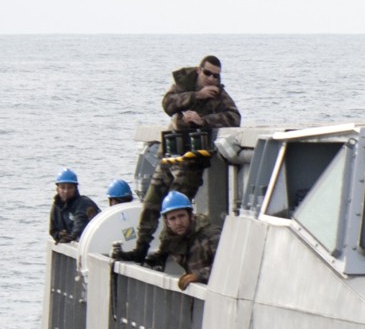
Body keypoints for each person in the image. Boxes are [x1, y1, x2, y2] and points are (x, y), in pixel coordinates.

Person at [126, 56, 240, 263]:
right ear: (199, 71)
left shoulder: (220, 96)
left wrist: (202, 120)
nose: (212, 79)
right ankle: (141, 247)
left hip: (191, 160)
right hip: (171, 155)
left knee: (176, 211)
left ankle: (164, 251)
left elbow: (234, 117)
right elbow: (168, 104)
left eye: (216, 75)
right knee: (152, 202)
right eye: (208, 74)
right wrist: (196, 96)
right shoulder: (184, 85)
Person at [150, 190, 222, 289]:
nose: (178, 222)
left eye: (181, 216)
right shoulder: (170, 240)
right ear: (167, 222)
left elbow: (226, 266)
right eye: (172, 218)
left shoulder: (211, 235)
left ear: (191, 215)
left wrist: (199, 276)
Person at [49, 169, 99, 243]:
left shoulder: (83, 203)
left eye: (70, 187)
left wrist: (70, 237)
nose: (66, 191)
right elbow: (52, 230)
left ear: (75, 188)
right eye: (63, 187)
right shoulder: (56, 206)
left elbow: (79, 225)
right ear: (57, 189)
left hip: (93, 242)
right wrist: (60, 235)